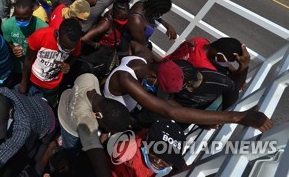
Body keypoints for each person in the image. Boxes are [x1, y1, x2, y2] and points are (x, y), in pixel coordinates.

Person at [103, 56, 273, 132]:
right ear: (153, 77)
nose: (162, 94)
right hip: (110, 120)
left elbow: (173, 105)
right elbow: (170, 111)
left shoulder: (142, 61)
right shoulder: (126, 78)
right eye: (162, 89)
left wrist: (203, 120)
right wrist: (237, 117)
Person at [57, 73, 130, 177]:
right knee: (71, 150)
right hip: (69, 127)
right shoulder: (85, 120)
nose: (106, 131)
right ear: (98, 116)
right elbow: (98, 163)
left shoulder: (90, 78)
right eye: (107, 128)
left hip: (66, 99)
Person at [18, 18, 83, 106]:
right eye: (63, 46)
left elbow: (75, 56)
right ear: (58, 34)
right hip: (33, 80)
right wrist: (23, 84)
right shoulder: (41, 35)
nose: (66, 50)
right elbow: (28, 60)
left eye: (70, 49)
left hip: (52, 86)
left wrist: (68, 65)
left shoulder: (75, 43)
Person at [162, 37, 250, 89]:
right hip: (167, 83)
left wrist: (231, 69)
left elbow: (218, 61)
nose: (227, 63)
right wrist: (244, 66)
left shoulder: (199, 40)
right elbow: (235, 87)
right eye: (227, 60)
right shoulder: (205, 67)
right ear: (220, 55)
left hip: (165, 63)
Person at [109, 118, 186, 176]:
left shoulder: (149, 135)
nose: (158, 161)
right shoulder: (126, 159)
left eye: (167, 158)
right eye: (155, 152)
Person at [80, 0, 132, 78]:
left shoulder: (116, 16)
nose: (123, 21)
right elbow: (84, 38)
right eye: (121, 18)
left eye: (125, 18)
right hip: (101, 53)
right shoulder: (106, 24)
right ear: (113, 12)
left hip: (111, 50)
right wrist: (96, 45)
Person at [1, 0, 48, 79]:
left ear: (32, 13)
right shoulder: (7, 25)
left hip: (35, 66)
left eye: (25, 18)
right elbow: (8, 41)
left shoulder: (43, 28)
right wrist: (13, 48)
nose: (21, 21)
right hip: (17, 65)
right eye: (18, 18)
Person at [172, 60, 240, 111]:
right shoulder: (172, 83)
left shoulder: (220, 81)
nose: (179, 89)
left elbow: (233, 90)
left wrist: (224, 112)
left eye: (182, 87)